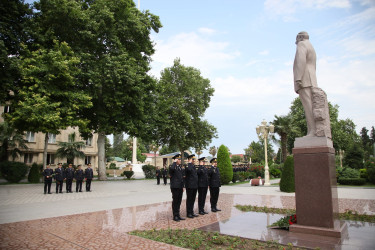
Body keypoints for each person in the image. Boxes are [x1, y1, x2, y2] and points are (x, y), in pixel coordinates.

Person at [293, 31, 318, 137]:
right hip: (312, 78)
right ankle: (312, 130)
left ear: (300, 37)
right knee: (312, 106)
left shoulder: (302, 44)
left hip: (304, 79)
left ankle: (312, 131)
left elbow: (301, 61)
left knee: (308, 107)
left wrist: (298, 78)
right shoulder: (311, 46)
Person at [169, 154, 185, 222]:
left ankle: (178, 215)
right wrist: (174, 162)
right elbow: (172, 169)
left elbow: (182, 178)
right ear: (175, 160)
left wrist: (183, 186)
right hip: (175, 187)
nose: (180, 160)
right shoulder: (172, 166)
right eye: (178, 159)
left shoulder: (180, 167)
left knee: (179, 201)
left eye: (180, 159)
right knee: (175, 201)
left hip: (180, 187)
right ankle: (175, 215)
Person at [185, 154, 199, 218]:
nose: (194, 160)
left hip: (194, 186)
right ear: (189, 160)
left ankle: (192, 212)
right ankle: (188, 213)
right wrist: (189, 163)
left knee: (193, 199)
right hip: (189, 186)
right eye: (192, 159)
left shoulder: (193, 166)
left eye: (194, 159)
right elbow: (189, 170)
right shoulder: (188, 166)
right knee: (189, 199)